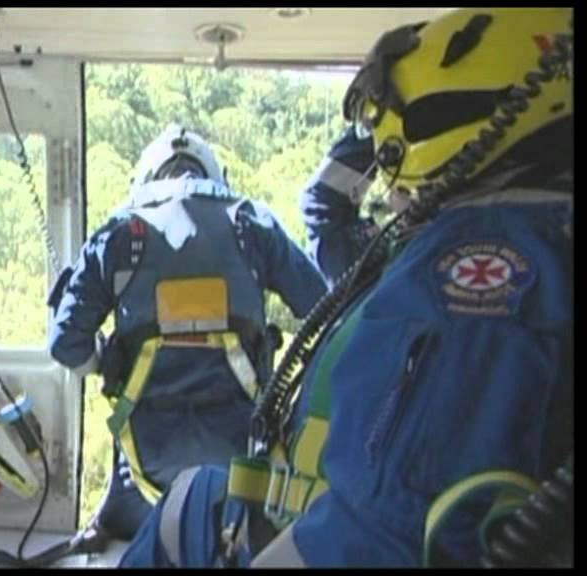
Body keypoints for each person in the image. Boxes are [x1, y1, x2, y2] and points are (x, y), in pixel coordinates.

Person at [118, 7, 573, 567]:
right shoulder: (514, 238)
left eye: (389, 141)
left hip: (320, 534)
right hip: (305, 503)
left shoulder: (470, 273)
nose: (386, 175)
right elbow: (317, 273)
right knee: (193, 496)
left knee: (181, 508)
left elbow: (388, 529)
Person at [47, 125, 328, 540]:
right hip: (241, 461)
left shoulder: (118, 234)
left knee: (129, 518)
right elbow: (323, 308)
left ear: (145, 177)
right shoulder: (252, 224)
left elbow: (65, 347)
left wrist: (108, 359)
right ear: (213, 174)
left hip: (146, 462)